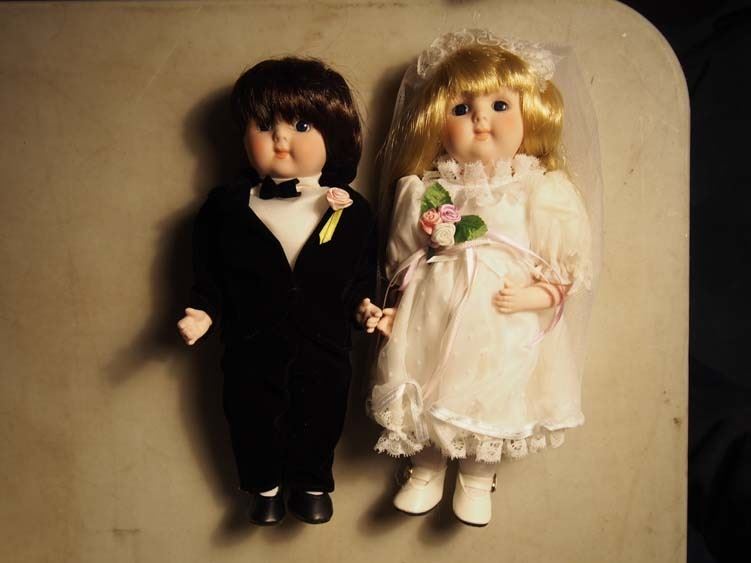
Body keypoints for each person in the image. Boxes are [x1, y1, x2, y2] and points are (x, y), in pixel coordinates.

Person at [366, 30, 598, 527]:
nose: (480, 118)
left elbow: (564, 268)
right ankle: (425, 469)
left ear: (532, 114)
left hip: (501, 320)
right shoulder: (426, 190)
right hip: (433, 311)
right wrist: (394, 309)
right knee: (428, 383)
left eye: (499, 105)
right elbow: (405, 262)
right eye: (461, 108)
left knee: (492, 393)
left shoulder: (540, 191)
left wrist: (537, 295)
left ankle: (477, 478)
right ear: (437, 123)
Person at [178, 57, 379, 526]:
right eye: (265, 125)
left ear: (334, 133)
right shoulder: (225, 209)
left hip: (325, 339)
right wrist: (202, 312)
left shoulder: (352, 210)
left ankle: (312, 484)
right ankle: (263, 487)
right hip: (250, 339)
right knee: (250, 410)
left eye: (301, 126)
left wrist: (364, 307)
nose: (281, 139)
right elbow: (209, 272)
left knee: (322, 408)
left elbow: (360, 273)